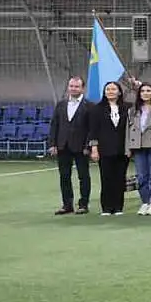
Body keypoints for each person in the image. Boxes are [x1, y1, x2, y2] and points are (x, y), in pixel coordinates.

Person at [49, 76, 93, 215]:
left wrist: (88, 146)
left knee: (83, 176)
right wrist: (53, 144)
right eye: (71, 86)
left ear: (82, 88)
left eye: (76, 86)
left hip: (81, 147)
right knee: (64, 176)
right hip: (63, 145)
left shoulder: (89, 106)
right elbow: (54, 124)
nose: (73, 89)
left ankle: (83, 204)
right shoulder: (61, 104)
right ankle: (67, 205)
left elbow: (91, 128)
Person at [88, 81, 129, 216]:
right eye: (108, 89)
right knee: (106, 179)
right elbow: (93, 130)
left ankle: (118, 207)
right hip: (104, 149)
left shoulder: (127, 108)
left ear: (119, 92)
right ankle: (106, 208)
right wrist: (94, 149)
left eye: (113, 89)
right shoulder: (97, 109)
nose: (110, 91)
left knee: (120, 179)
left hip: (122, 149)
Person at [127, 82, 151, 215]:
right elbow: (128, 131)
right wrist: (128, 148)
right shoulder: (133, 110)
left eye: (148, 91)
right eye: (142, 91)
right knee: (141, 177)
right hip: (138, 146)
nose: (145, 93)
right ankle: (145, 202)